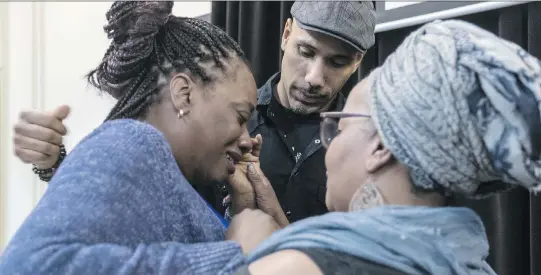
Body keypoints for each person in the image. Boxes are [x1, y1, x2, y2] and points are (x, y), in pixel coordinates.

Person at [11, 1, 377, 223]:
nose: (315, 78)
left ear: (358, 62)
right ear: (285, 34)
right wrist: (55, 164)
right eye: (306, 52)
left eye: (337, 62)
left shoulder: (362, 145)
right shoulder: (212, 112)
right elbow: (133, 190)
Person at [229, 19, 541, 274]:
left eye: (341, 126)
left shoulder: (299, 267)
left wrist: (243, 251)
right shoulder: (470, 265)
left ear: (380, 147)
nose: (330, 144)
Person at [0, 2, 280, 274]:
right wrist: (232, 258)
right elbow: (28, 266)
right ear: (184, 93)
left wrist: (243, 209)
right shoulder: (133, 141)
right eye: (241, 117)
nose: (247, 139)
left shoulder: (169, 176)